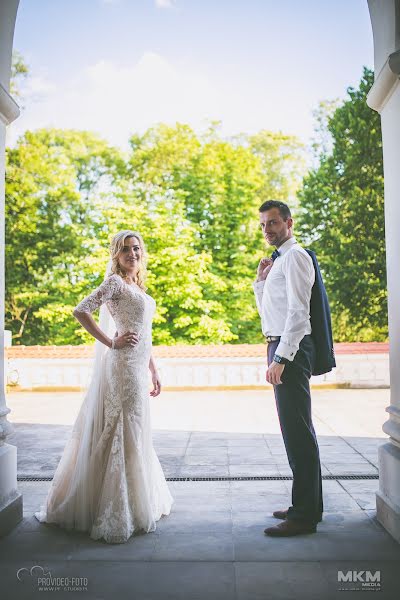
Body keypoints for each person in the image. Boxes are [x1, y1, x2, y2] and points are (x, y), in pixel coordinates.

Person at [35, 230, 173, 543]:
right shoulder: (113, 282)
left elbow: (144, 334)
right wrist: (111, 341)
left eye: (136, 248)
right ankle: (112, 507)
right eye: (126, 250)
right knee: (120, 428)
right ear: (116, 254)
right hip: (121, 367)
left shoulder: (135, 284)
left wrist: (154, 369)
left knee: (136, 430)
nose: (132, 254)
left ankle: (137, 500)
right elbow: (80, 310)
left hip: (138, 368)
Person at [253, 200, 323, 537]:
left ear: (289, 222)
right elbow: (272, 312)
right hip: (279, 342)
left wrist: (281, 359)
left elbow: (299, 314)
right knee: (294, 432)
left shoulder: (296, 256)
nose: (268, 230)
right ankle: (304, 507)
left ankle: (304, 517)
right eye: (264, 224)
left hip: (290, 348)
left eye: (273, 223)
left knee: (298, 434)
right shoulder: (279, 262)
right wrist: (261, 282)